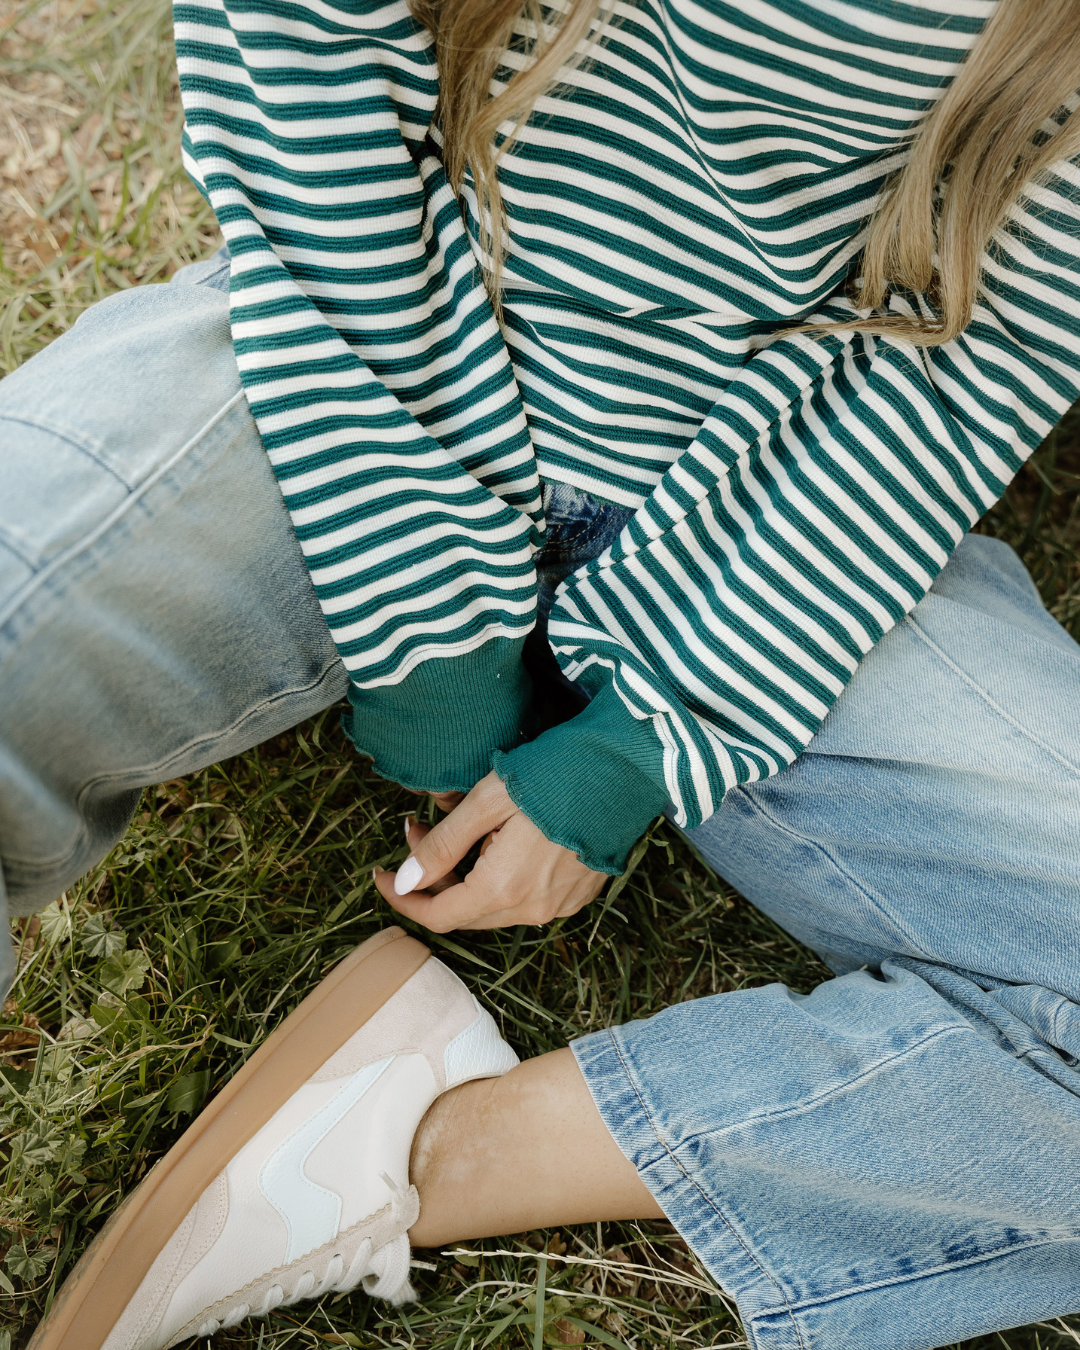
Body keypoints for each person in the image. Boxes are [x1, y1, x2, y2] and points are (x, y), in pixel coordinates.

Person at [6, 0, 1080, 1345]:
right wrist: (421, 606)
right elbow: (302, 73)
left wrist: (656, 723)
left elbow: (980, 340)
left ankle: (404, 1142)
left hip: (782, 501)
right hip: (353, 360)